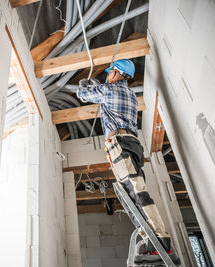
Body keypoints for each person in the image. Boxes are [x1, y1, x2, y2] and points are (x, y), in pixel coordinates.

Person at [76, 59, 179, 265]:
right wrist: (98, 87)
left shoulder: (109, 90)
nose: (107, 76)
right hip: (132, 143)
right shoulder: (130, 95)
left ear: (115, 73)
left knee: (135, 190)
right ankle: (150, 234)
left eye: (109, 73)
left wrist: (84, 85)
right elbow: (107, 97)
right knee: (134, 189)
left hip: (119, 145)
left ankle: (158, 239)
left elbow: (83, 95)